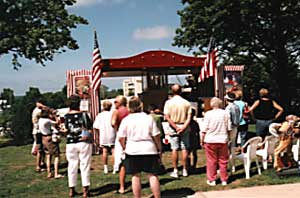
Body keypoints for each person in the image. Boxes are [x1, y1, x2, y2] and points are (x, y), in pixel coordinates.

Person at [119, 96, 161, 198]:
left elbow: (121, 137)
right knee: (152, 175)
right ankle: (157, 196)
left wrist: (124, 147)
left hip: (133, 149)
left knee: (135, 176)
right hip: (149, 148)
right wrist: (159, 147)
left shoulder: (126, 120)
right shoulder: (148, 118)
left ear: (129, 107)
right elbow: (156, 135)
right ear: (141, 106)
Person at [64, 95, 93, 198]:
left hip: (71, 142)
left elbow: (66, 129)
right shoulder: (84, 115)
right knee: (85, 165)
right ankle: (85, 190)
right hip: (83, 142)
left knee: (72, 166)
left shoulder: (66, 116)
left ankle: (72, 189)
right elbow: (89, 127)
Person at [201, 97, 232, 186]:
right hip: (222, 139)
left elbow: (204, 129)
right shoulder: (225, 113)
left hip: (210, 139)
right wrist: (228, 137)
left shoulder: (208, 114)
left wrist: (202, 140)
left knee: (211, 160)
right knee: (223, 160)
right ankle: (224, 179)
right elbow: (229, 128)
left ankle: (212, 179)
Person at [163, 84, 192, 178]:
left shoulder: (168, 103)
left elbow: (167, 116)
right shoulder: (186, 103)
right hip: (184, 125)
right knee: (184, 148)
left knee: (174, 148)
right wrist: (183, 127)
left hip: (173, 125)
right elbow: (189, 117)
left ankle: (175, 170)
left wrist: (175, 127)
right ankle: (185, 169)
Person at [111, 95, 129, 194]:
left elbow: (113, 123)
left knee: (121, 161)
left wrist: (117, 126)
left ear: (120, 103)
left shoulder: (116, 112)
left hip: (121, 136)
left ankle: (122, 186)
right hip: (130, 135)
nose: (114, 104)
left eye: (116, 102)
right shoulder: (129, 111)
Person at [38, 109, 63, 179]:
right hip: (49, 137)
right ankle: (56, 173)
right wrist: (55, 115)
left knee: (48, 155)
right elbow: (57, 122)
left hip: (43, 138)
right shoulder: (47, 121)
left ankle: (49, 172)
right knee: (56, 155)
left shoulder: (40, 120)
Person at [93, 100, 116, 174]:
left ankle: (105, 167)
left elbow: (95, 127)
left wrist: (97, 135)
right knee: (113, 151)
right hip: (112, 133)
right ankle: (114, 167)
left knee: (105, 151)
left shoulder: (100, 115)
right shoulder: (113, 114)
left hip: (103, 134)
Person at [31, 99, 46, 172]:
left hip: (38, 131)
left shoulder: (36, 110)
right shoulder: (38, 111)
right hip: (38, 132)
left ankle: (42, 163)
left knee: (42, 149)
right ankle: (38, 166)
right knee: (40, 149)